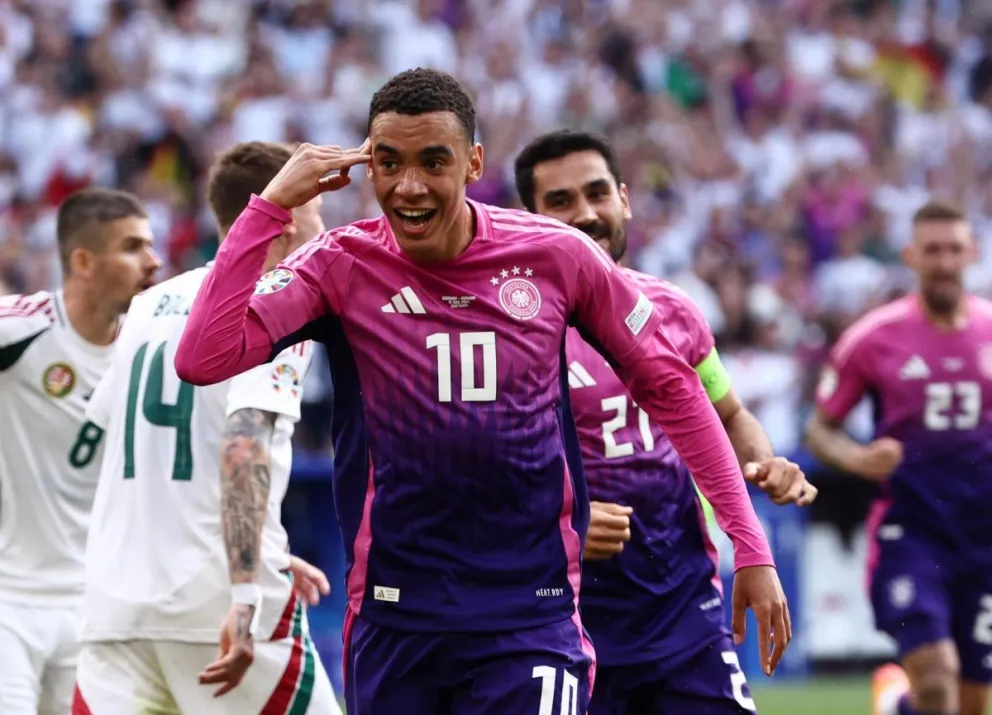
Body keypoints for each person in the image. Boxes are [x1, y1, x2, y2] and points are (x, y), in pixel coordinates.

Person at [174, 68, 787, 715]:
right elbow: (202, 355)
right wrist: (268, 207)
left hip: (529, 615)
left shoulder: (558, 256)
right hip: (394, 621)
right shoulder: (338, 264)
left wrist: (750, 544)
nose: (408, 186)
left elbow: (672, 385)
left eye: (432, 161)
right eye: (389, 163)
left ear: (473, 162)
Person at [513, 128, 815, 714]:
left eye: (598, 193)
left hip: (683, 610)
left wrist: (764, 460)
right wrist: (562, 519)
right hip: (558, 619)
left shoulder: (673, 309)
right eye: (560, 201)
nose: (586, 214)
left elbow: (729, 414)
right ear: (531, 220)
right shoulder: (510, 332)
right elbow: (477, 467)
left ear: (624, 199)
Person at [72, 142, 341, 715]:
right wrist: (246, 581)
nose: (326, 236)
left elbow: (125, 451)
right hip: (219, 608)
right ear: (289, 216)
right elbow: (243, 442)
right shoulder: (272, 304)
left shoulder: (147, 306)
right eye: (319, 219)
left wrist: (257, 538)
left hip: (115, 611)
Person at [805, 200, 992, 715]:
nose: (944, 262)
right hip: (910, 534)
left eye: (954, 250)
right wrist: (858, 458)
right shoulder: (874, 337)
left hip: (983, 539)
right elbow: (821, 428)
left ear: (971, 253)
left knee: (972, 704)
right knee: (937, 681)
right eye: (932, 250)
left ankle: (895, 705)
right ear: (911, 255)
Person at [0, 187, 160, 715]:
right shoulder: (23, 329)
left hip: (93, 607)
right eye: (133, 247)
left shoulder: (150, 349)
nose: (154, 262)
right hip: (8, 603)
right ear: (84, 261)